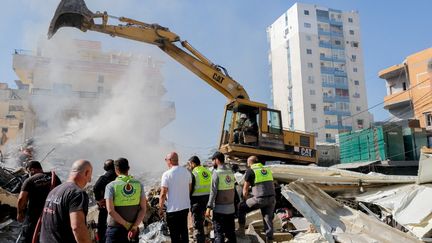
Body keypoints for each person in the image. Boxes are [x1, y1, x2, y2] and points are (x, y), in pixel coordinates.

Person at [40, 160, 93, 243]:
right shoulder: (77, 193)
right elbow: (77, 227)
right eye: (90, 176)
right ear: (86, 172)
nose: (89, 180)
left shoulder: (54, 190)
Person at [16, 161, 61, 243]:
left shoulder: (29, 180)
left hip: (33, 216)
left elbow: (21, 199)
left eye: (28, 172)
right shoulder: (54, 177)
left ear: (31, 170)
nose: (28, 174)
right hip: (52, 216)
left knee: (27, 238)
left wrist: (20, 214)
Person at [104, 158, 147, 243]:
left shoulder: (111, 186)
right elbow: (143, 209)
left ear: (116, 170)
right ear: (128, 168)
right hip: (133, 231)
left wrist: (126, 225)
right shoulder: (139, 185)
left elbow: (111, 211)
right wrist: (134, 227)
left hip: (115, 230)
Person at [237, 156, 276, 243]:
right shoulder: (267, 170)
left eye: (247, 162)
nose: (247, 164)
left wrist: (245, 199)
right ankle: (269, 239)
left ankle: (241, 231)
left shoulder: (250, 171)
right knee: (268, 218)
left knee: (241, 206)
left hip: (260, 199)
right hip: (271, 199)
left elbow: (245, 189)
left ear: (250, 162)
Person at [159, 152, 191, 243]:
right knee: (184, 232)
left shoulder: (166, 174)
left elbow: (163, 194)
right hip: (184, 208)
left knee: (175, 235)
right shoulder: (187, 172)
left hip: (173, 210)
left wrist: (160, 209)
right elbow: (189, 189)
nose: (166, 162)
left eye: (166, 160)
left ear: (170, 161)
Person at [205, 152, 236, 243]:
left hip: (220, 210)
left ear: (217, 160)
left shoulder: (216, 173)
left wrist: (209, 207)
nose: (212, 163)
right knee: (231, 234)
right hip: (231, 209)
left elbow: (213, 192)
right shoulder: (230, 172)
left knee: (219, 234)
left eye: (213, 161)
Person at [188, 156, 212, 243]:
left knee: (198, 225)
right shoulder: (207, 171)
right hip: (208, 200)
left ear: (193, 163)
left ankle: (199, 240)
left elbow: (190, 189)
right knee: (205, 221)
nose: (189, 166)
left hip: (197, 201)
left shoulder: (193, 173)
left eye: (189, 164)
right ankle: (206, 237)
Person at [93, 159, 116, 243]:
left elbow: (95, 187)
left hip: (105, 205)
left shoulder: (105, 177)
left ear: (106, 167)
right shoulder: (118, 175)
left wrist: (99, 199)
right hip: (117, 206)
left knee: (102, 225)